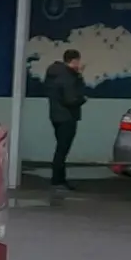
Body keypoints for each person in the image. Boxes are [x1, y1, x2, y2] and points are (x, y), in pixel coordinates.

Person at [45, 49, 87, 190]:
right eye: (78, 61)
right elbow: (71, 98)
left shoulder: (53, 73)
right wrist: (82, 99)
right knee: (62, 149)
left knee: (60, 148)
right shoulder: (68, 76)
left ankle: (58, 179)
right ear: (74, 61)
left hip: (56, 115)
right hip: (67, 116)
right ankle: (58, 180)